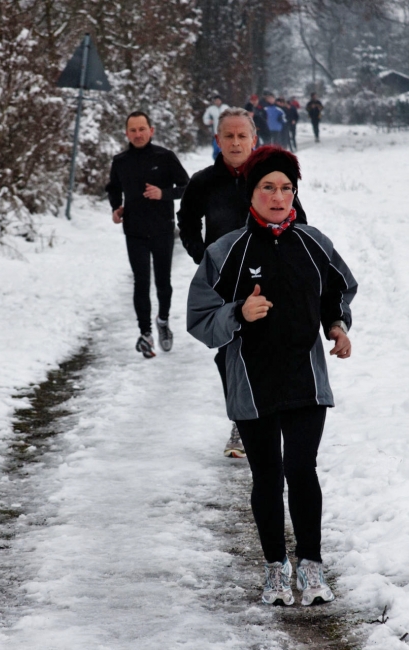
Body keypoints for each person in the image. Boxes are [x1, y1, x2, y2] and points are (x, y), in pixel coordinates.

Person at [187, 145, 357, 607]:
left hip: (306, 380)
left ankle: (312, 566)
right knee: (267, 476)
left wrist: (337, 325)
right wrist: (238, 312)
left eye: (286, 188)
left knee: (302, 470)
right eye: (268, 187)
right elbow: (199, 318)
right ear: (252, 192)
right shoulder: (226, 252)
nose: (279, 196)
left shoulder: (314, 242)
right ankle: (275, 570)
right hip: (251, 382)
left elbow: (338, 289)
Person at [178, 108, 308, 460]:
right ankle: (241, 419)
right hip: (227, 289)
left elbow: (300, 223)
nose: (236, 143)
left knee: (275, 349)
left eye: (242, 136)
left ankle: (280, 413)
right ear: (217, 141)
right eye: (229, 136)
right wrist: (204, 259)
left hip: (272, 282)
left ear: (254, 139)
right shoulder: (203, 182)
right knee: (229, 355)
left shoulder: (270, 179)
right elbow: (187, 223)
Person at [106, 111, 189, 358]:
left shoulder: (165, 157)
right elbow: (113, 188)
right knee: (141, 282)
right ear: (127, 133)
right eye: (133, 130)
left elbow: (186, 187)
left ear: (151, 130)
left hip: (162, 228)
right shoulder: (120, 161)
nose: (138, 134)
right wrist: (116, 208)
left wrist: (163, 194)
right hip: (134, 230)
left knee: (163, 282)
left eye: (142, 129)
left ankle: (162, 321)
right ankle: (145, 333)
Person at [202, 94, 230, 160]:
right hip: (216, 132)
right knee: (216, 149)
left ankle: (225, 162)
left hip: (226, 132)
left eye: (218, 100)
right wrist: (209, 121)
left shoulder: (225, 108)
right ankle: (217, 163)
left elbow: (233, 116)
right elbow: (205, 118)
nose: (217, 102)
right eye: (216, 100)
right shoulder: (211, 109)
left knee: (224, 149)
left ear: (221, 101)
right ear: (214, 101)